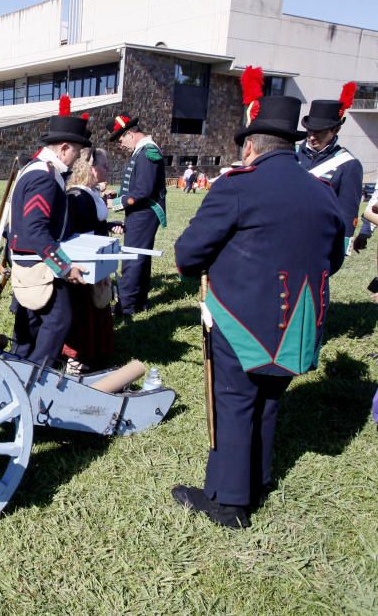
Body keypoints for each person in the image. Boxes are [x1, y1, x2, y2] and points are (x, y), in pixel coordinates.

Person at [173, 71, 345, 528]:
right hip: (299, 321)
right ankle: (259, 478)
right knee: (269, 399)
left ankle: (230, 502)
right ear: (290, 144)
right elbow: (334, 259)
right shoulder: (324, 193)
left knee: (234, 402)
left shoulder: (236, 186)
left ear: (251, 146)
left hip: (241, 319)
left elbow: (189, 255)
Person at [8, 97, 89, 368]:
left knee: (32, 323)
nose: (78, 157)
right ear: (64, 147)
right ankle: (36, 373)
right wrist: (64, 266)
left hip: (32, 261)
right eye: (76, 151)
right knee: (59, 319)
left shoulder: (42, 169)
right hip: (37, 265)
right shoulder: (43, 175)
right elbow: (35, 229)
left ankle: (21, 365)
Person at [105, 113, 167, 317]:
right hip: (140, 211)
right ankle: (139, 301)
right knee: (141, 256)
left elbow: (143, 191)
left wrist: (114, 203)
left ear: (130, 133)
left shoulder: (148, 151)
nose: (120, 143)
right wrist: (118, 193)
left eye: (120, 138)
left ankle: (127, 306)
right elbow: (135, 184)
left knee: (132, 257)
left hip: (144, 211)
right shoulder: (141, 151)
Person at [62, 147, 116, 373]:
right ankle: (76, 358)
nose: (107, 169)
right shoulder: (78, 196)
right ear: (91, 169)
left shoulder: (89, 193)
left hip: (97, 258)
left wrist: (110, 227)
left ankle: (95, 353)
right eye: (103, 165)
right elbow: (80, 236)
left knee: (97, 308)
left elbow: (96, 226)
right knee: (84, 311)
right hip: (85, 263)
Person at [296, 83, 365, 255]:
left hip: (319, 241)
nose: (312, 137)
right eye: (310, 130)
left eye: (319, 132)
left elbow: (347, 214)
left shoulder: (348, 164)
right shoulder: (291, 153)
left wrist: (338, 251)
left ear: (335, 130)